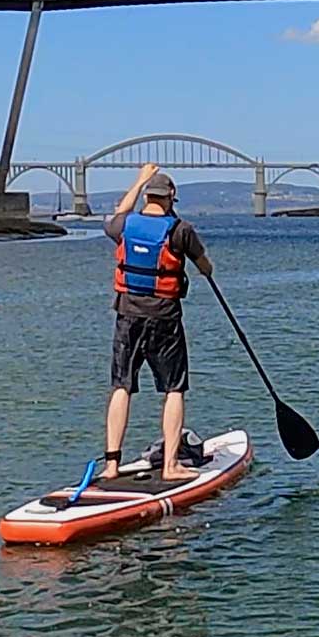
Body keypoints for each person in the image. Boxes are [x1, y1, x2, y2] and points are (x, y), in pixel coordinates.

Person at [102, 163, 213, 481]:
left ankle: (111, 465)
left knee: (121, 387)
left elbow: (118, 215)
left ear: (147, 195)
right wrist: (205, 269)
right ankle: (170, 465)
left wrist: (137, 181)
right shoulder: (180, 230)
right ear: (171, 198)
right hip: (164, 318)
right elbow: (204, 264)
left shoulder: (126, 226)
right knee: (174, 389)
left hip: (127, 316)